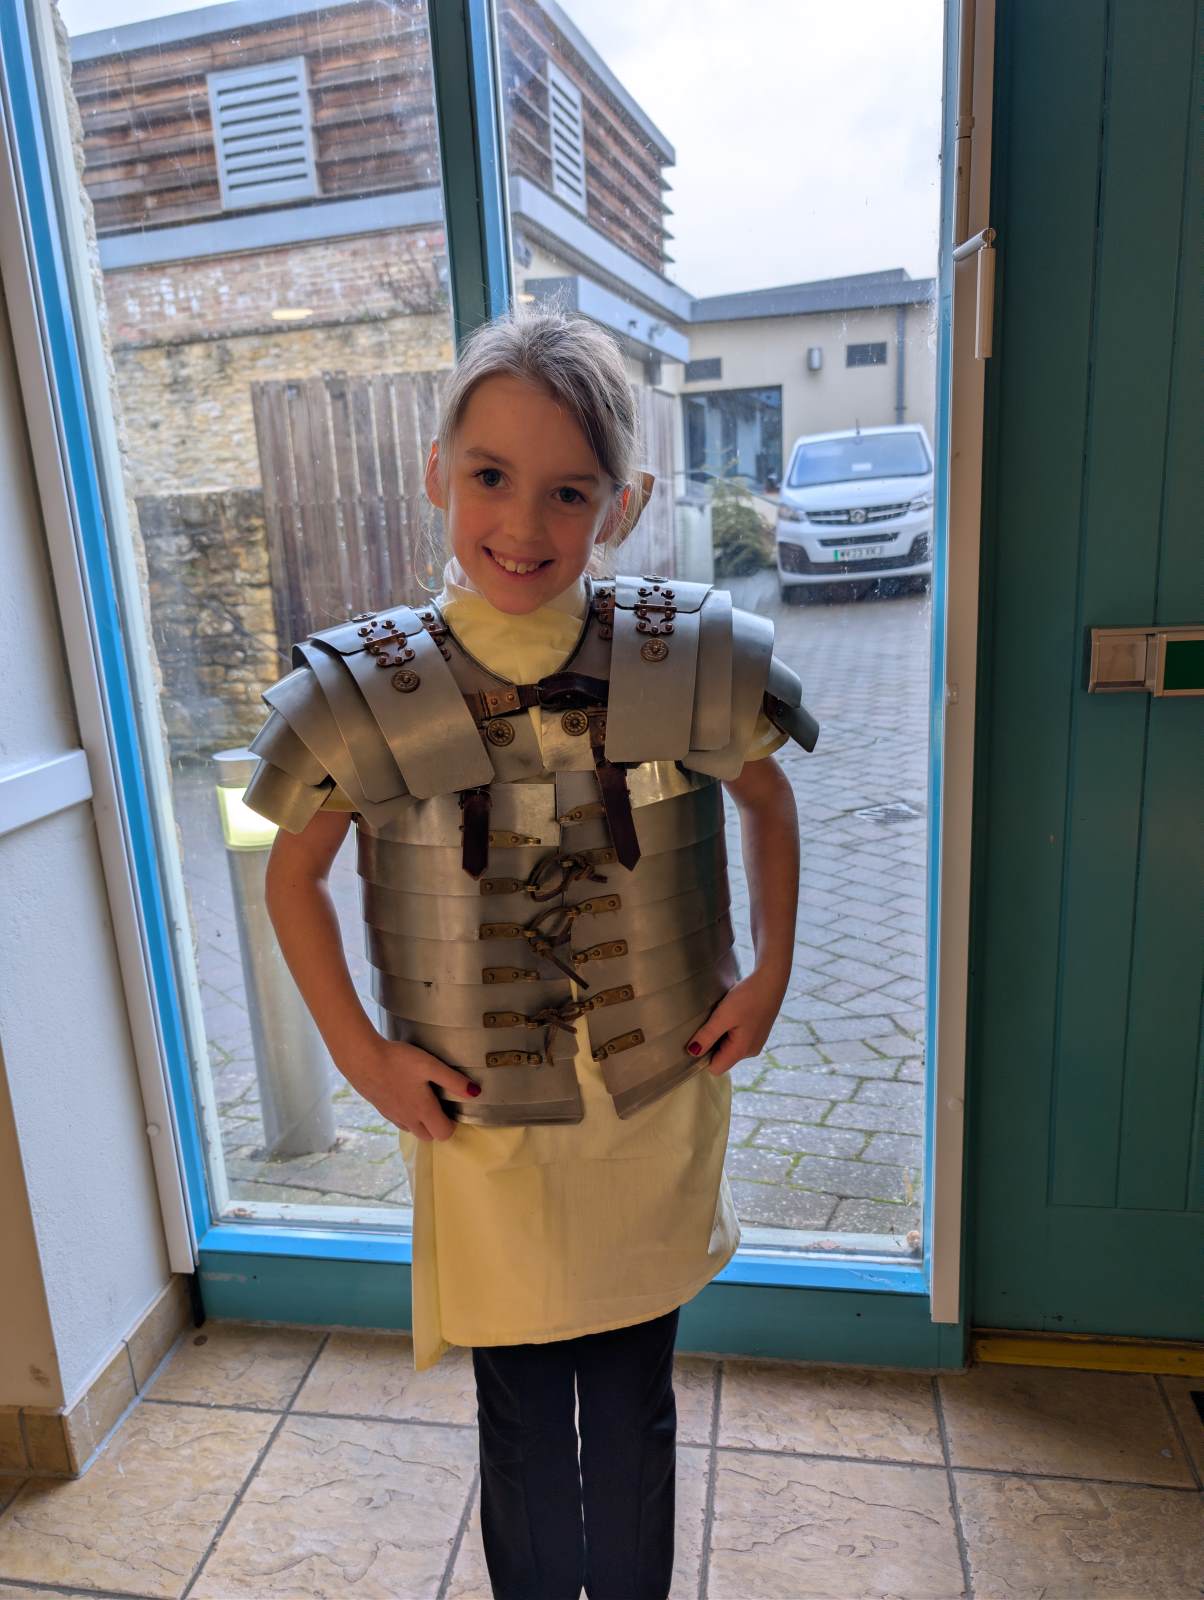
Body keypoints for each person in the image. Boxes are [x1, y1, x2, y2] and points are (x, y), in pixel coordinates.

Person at [243, 303, 815, 1600]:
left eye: (568, 490)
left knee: (631, 1404)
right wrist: (363, 1058)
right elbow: (293, 877)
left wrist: (772, 970)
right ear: (437, 475)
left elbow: (769, 801)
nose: (523, 522)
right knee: (519, 1417)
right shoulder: (367, 687)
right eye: (491, 476)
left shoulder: (681, 653)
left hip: (651, 1103)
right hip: (480, 1117)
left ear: (623, 504)